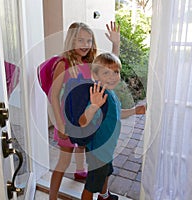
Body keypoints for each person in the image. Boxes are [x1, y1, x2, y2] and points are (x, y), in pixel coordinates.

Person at [49, 22, 120, 200]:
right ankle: (51, 197)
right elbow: (54, 95)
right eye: (80, 40)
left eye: (89, 40)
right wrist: (59, 124)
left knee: (85, 150)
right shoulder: (63, 63)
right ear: (71, 41)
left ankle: (82, 174)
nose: (85, 44)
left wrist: (116, 44)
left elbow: (109, 71)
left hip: (86, 121)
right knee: (63, 162)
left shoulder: (91, 60)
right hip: (68, 122)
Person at [75, 52, 146, 200]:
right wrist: (94, 106)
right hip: (98, 151)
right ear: (95, 76)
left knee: (106, 172)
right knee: (91, 186)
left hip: (107, 149)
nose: (113, 76)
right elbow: (83, 122)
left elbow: (117, 113)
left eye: (116, 72)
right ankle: (99, 194)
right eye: (106, 72)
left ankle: (104, 196)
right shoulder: (98, 96)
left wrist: (134, 111)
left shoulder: (110, 93)